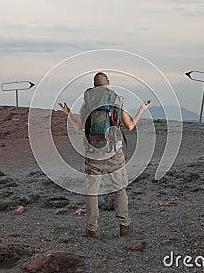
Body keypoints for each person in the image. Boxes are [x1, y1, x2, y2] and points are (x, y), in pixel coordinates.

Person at [58, 72, 151, 237]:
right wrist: (141, 110)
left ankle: (91, 228)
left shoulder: (87, 102)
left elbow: (79, 127)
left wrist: (68, 113)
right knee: (120, 189)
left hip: (93, 153)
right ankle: (124, 225)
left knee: (92, 191)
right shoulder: (117, 100)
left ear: (94, 85)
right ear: (108, 82)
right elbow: (129, 126)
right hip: (114, 152)